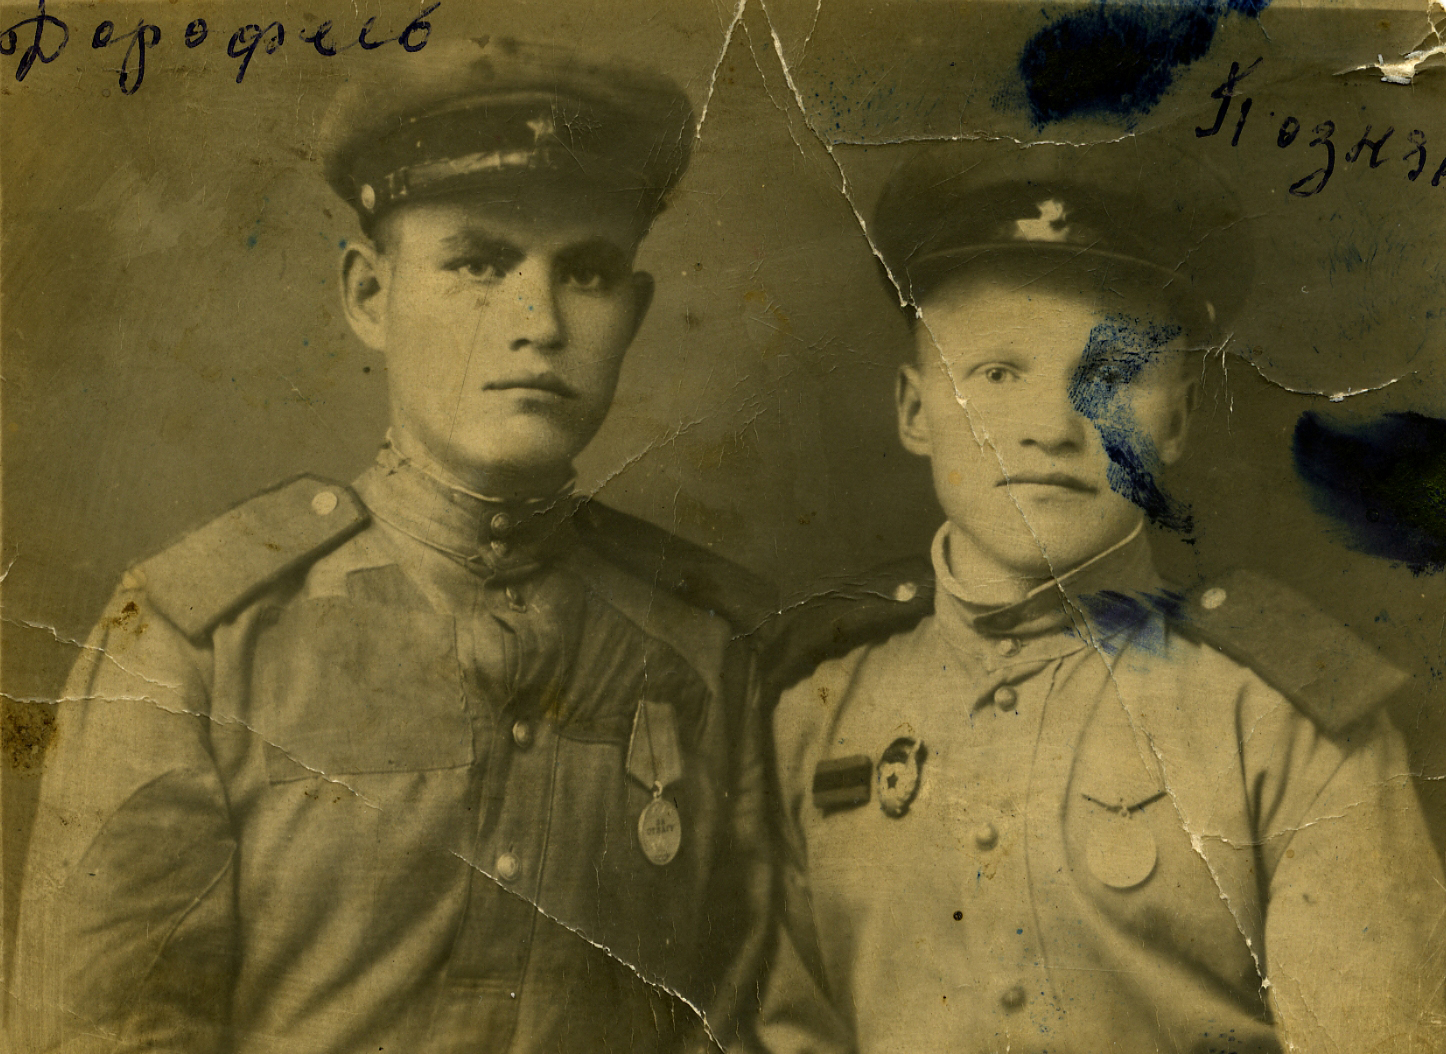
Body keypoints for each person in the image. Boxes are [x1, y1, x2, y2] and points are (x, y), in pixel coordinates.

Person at [16, 38, 773, 1054]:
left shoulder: (714, 650)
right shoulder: (200, 636)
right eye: (479, 263)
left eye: (587, 271)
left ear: (631, 315)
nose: (538, 322)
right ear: (370, 295)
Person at [753, 142, 1446, 1053]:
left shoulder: (1279, 719)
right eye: (997, 374)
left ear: (1178, 419)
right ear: (916, 411)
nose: (1049, 429)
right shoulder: (815, 708)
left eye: (1110, 378)